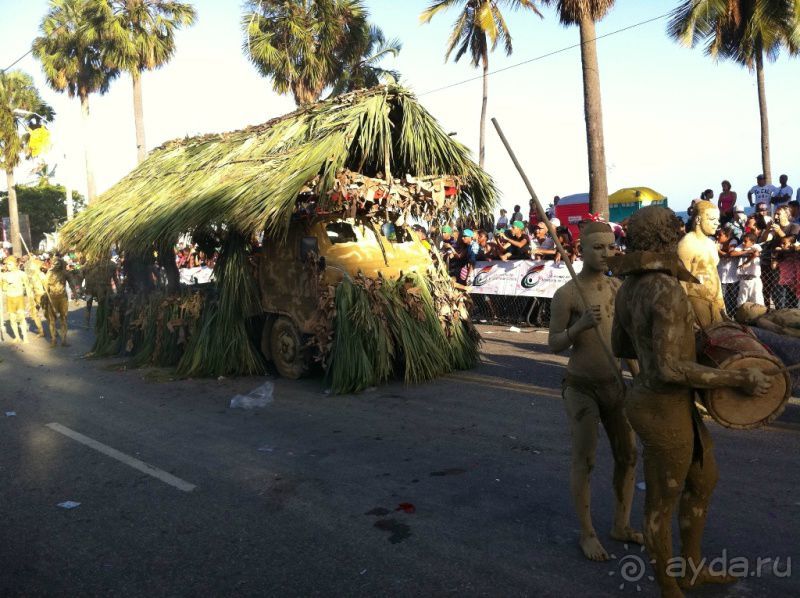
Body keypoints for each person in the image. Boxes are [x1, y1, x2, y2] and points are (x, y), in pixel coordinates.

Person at [610, 205, 772, 598]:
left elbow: (620, 344)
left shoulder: (631, 286)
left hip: (663, 401)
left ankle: (693, 569)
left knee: (703, 480)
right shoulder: (663, 289)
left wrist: (666, 348)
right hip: (661, 405)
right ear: (667, 239)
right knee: (664, 499)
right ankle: (669, 584)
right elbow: (668, 369)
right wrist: (736, 376)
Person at [549, 221, 641, 562]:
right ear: (581, 251)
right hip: (581, 388)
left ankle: (621, 524)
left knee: (628, 456)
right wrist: (579, 326)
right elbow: (554, 343)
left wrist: (639, 379)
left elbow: (627, 343)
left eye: (611, 247)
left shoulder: (618, 289)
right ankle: (587, 533)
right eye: (597, 247)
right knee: (585, 460)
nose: (606, 253)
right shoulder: (567, 294)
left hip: (615, 387)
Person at [677, 200, 726, 327]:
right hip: (697, 307)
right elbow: (681, 282)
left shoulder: (711, 244)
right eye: (712, 219)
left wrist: (721, 305)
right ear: (698, 220)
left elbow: (715, 276)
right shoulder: (686, 244)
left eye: (718, 219)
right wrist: (686, 312)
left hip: (715, 304)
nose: (717, 223)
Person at [0, 255, 31, 343]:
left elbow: (28, 287)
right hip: (9, 299)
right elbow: (1, 287)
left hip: (19, 298)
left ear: (15, 264)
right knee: (12, 318)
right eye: (6, 264)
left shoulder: (22, 274)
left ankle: (25, 337)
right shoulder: (4, 275)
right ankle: (17, 337)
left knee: (21, 318)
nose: (7, 266)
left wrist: (30, 300)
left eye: (9, 264)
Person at [731, 232, 763, 307]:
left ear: (752, 242)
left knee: (757, 299)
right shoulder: (741, 246)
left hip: (754, 279)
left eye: (746, 241)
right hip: (744, 278)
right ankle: (741, 315)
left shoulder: (756, 246)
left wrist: (745, 263)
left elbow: (756, 254)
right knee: (742, 299)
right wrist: (747, 251)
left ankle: (759, 316)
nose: (743, 242)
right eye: (743, 240)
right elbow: (732, 253)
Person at [716, 227, 740, 317]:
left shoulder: (733, 241)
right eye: (717, 235)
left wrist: (718, 250)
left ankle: (734, 315)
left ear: (727, 236)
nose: (717, 237)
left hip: (732, 275)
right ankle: (725, 315)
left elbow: (729, 254)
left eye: (720, 235)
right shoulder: (717, 243)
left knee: (733, 297)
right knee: (722, 297)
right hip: (721, 275)